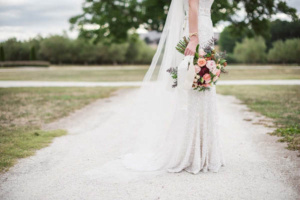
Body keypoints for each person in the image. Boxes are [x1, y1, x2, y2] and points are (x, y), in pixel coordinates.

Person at [122, 0, 225, 174]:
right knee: (194, 84)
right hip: (197, 31)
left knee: (204, 83)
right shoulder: (194, 33)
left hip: (206, 28)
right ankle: (191, 152)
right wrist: (194, 38)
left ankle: (202, 150)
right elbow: (193, 6)